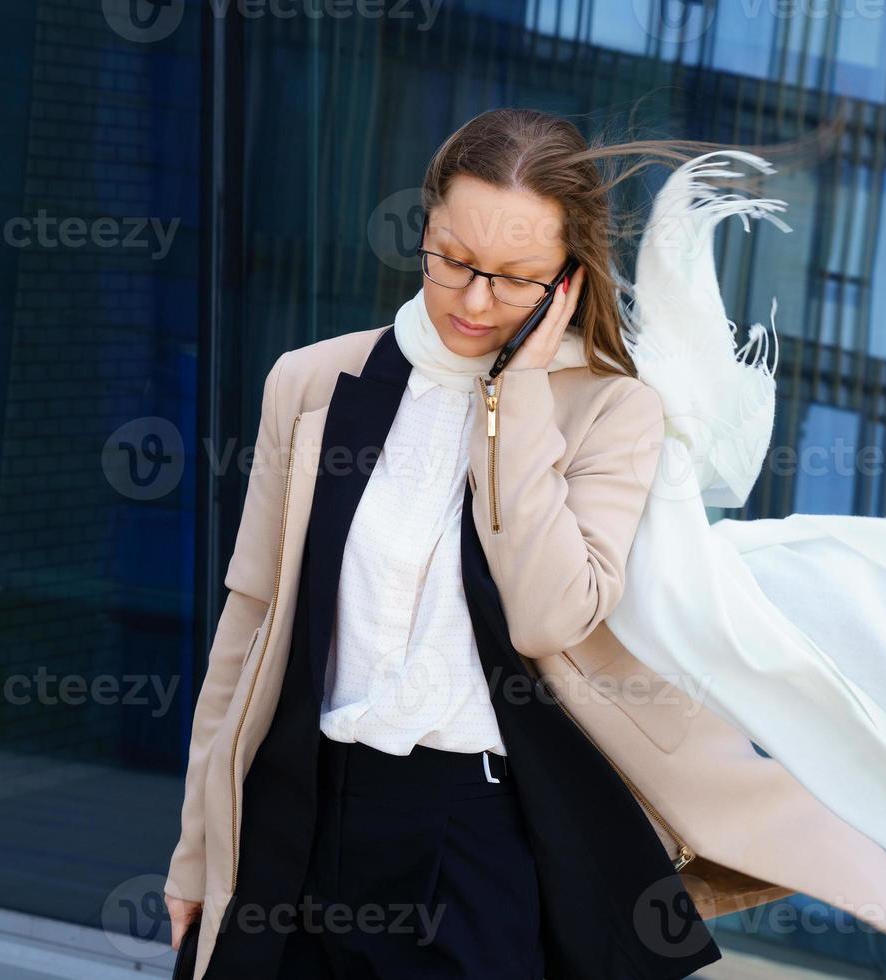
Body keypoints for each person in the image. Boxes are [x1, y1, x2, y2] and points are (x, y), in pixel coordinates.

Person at [163, 108, 736, 980]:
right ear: (423, 229)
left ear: (569, 281)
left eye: (515, 279)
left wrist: (521, 400)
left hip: (471, 838)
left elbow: (550, 617)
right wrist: (197, 851)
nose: (474, 301)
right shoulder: (313, 383)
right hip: (300, 806)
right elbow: (246, 634)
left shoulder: (612, 415)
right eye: (454, 261)